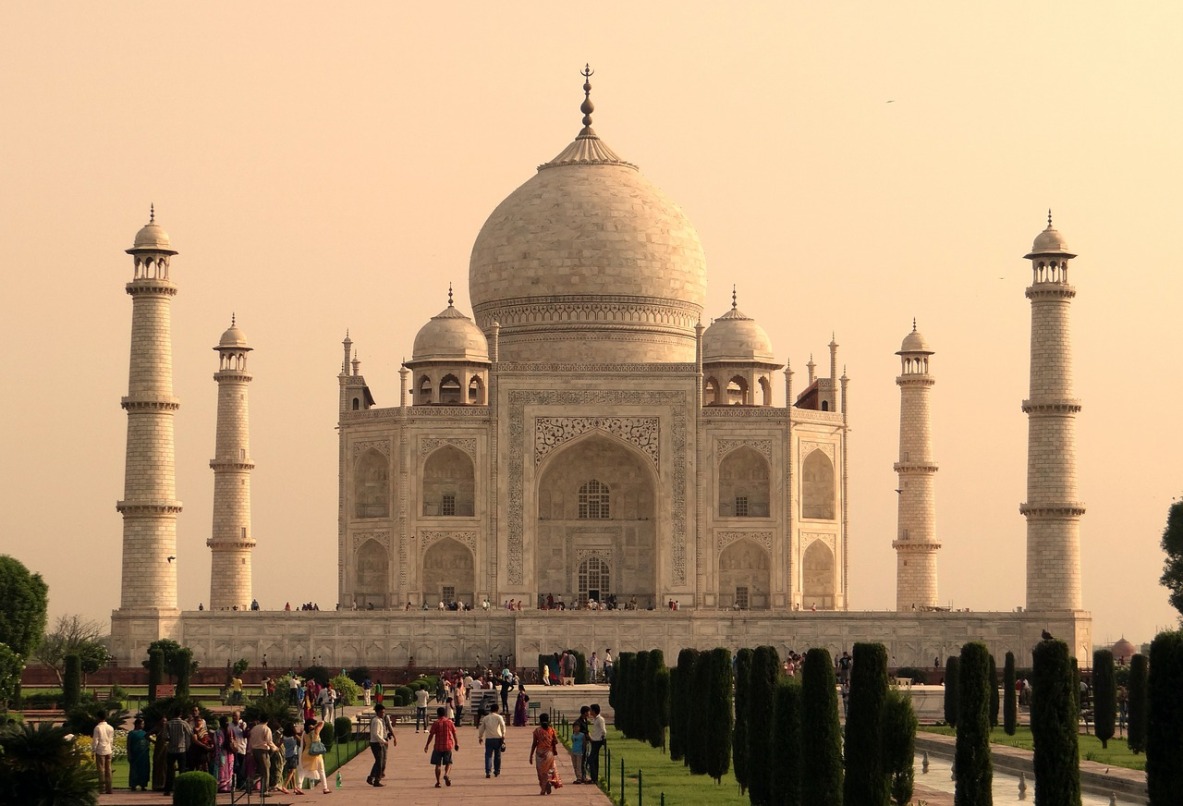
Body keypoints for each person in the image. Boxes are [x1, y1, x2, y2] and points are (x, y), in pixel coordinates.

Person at [424, 705, 459, 788]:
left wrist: (427, 745)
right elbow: (454, 733)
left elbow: (431, 735)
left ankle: (438, 782)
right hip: (447, 745)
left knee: (438, 764)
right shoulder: (449, 722)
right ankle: (446, 774)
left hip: (438, 746)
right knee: (449, 763)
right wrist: (457, 743)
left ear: (437, 714)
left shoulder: (436, 723)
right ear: (445, 713)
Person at [163, 707, 194, 796]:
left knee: (169, 771)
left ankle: (167, 790)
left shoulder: (168, 723)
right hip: (181, 749)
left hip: (171, 750)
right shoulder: (184, 723)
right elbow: (190, 733)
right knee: (182, 771)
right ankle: (182, 790)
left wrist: (171, 739)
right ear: (180, 714)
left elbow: (164, 737)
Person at [529, 712, 562, 795]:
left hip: (539, 753)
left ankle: (543, 789)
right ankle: (549, 781)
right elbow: (556, 741)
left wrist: (531, 755)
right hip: (549, 753)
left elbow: (534, 744)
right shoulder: (551, 730)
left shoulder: (537, 731)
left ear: (540, 721)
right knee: (550, 769)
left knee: (541, 772)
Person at [299, 718, 331, 794]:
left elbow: (303, 744)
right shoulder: (316, 731)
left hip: (306, 753)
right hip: (316, 754)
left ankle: (299, 787)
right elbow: (322, 722)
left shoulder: (304, 733)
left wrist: (309, 727)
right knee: (321, 770)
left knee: (303, 770)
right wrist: (314, 726)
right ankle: (325, 788)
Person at [367, 703, 396, 787]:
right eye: (382, 712)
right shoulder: (376, 721)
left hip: (378, 742)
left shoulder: (380, 720)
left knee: (379, 761)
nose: (383, 714)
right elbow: (376, 734)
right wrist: (383, 741)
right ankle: (375, 779)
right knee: (379, 762)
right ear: (378, 712)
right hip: (376, 743)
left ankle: (372, 777)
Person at [247, 714, 276, 793]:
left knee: (257, 771)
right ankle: (264, 791)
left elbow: (251, 740)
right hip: (262, 751)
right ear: (267, 721)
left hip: (254, 750)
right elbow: (269, 741)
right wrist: (275, 748)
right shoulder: (266, 729)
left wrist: (250, 751)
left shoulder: (254, 729)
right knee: (266, 771)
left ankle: (250, 785)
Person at [477, 701, 506, 779]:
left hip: (489, 739)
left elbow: (481, 728)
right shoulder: (499, 717)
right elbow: (503, 726)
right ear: (497, 710)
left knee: (488, 756)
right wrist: (503, 735)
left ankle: (488, 771)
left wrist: (480, 737)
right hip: (498, 738)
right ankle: (497, 771)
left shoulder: (486, 718)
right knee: (497, 756)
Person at [93, 712, 115, 794]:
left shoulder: (97, 728)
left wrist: (93, 750)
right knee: (108, 770)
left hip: (100, 750)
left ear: (98, 717)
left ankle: (102, 788)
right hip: (108, 749)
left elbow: (96, 740)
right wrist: (111, 748)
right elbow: (111, 740)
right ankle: (109, 789)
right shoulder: (110, 727)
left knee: (101, 770)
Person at [127, 716, 151, 792]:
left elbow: (149, 741)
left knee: (143, 770)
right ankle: (133, 785)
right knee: (134, 770)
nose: (143, 725)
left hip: (144, 755)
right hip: (135, 755)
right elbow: (128, 745)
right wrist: (129, 754)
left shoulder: (145, 733)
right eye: (142, 724)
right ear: (137, 724)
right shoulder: (131, 733)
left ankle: (143, 785)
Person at [587, 703, 606, 785]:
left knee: (591, 759)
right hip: (595, 740)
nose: (589, 711)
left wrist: (602, 738)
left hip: (598, 741)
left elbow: (603, 730)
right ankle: (594, 778)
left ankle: (594, 778)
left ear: (594, 711)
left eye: (590, 710)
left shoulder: (600, 719)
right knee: (594, 760)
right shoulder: (595, 719)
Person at [282, 723, 304, 795]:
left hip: (287, 755)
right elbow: (301, 741)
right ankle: (284, 786)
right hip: (293, 755)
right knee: (292, 771)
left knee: (293, 772)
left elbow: (278, 744)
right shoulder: (294, 737)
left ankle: (295, 787)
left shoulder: (284, 737)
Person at [151, 715, 169, 792]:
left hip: (166, 749)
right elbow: (147, 735)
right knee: (158, 766)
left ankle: (165, 784)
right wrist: (154, 741)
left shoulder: (168, 729)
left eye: (165, 721)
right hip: (158, 749)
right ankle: (157, 784)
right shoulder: (157, 728)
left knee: (165, 766)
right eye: (163, 721)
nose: (164, 722)